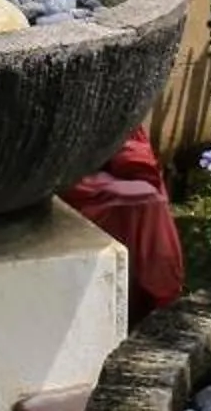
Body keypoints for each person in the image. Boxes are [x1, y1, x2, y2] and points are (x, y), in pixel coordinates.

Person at [59, 126, 184, 322]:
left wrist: (132, 165)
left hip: (115, 171)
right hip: (64, 174)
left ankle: (161, 303)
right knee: (143, 202)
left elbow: (130, 139)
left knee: (148, 200)